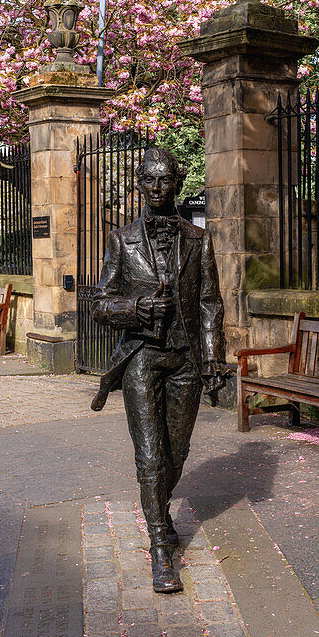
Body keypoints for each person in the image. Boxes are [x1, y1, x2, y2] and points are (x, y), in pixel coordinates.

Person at [91, 146, 227, 593]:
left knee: (176, 452)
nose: (155, 187)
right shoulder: (122, 239)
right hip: (142, 358)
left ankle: (160, 514)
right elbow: (100, 304)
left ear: (177, 183)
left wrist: (212, 359)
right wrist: (136, 307)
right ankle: (159, 550)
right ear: (138, 182)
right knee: (150, 455)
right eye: (148, 179)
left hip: (186, 358)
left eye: (164, 179)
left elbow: (209, 303)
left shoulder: (199, 239)